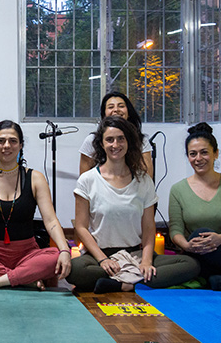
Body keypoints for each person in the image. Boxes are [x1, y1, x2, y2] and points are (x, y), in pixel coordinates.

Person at [67, 116, 200, 293]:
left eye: (121, 139)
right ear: (101, 144)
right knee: (75, 269)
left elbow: (148, 226)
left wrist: (146, 261)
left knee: (190, 264)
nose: (115, 144)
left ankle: (123, 284)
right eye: (110, 139)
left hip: (135, 254)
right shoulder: (87, 180)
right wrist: (103, 260)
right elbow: (81, 227)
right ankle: (137, 281)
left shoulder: (143, 180)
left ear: (129, 142)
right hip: (101, 255)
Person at [0, 120, 71, 290]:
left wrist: (64, 250)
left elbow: (51, 220)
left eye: (12, 141)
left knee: (55, 257)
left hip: (27, 253)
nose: (6, 146)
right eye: (1, 141)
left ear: (20, 145)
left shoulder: (35, 178)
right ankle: (25, 278)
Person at [169, 122, 221, 290]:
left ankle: (215, 280)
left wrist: (219, 239)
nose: (198, 159)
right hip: (196, 256)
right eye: (193, 154)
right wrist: (186, 245)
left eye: (204, 152)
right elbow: (175, 230)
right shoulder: (178, 190)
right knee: (199, 234)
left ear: (216, 153)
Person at [79, 92, 153, 178]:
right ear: (104, 114)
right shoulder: (91, 140)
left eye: (121, 106)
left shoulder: (141, 140)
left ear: (128, 112)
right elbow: (84, 180)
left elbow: (147, 177)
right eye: (111, 107)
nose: (116, 110)